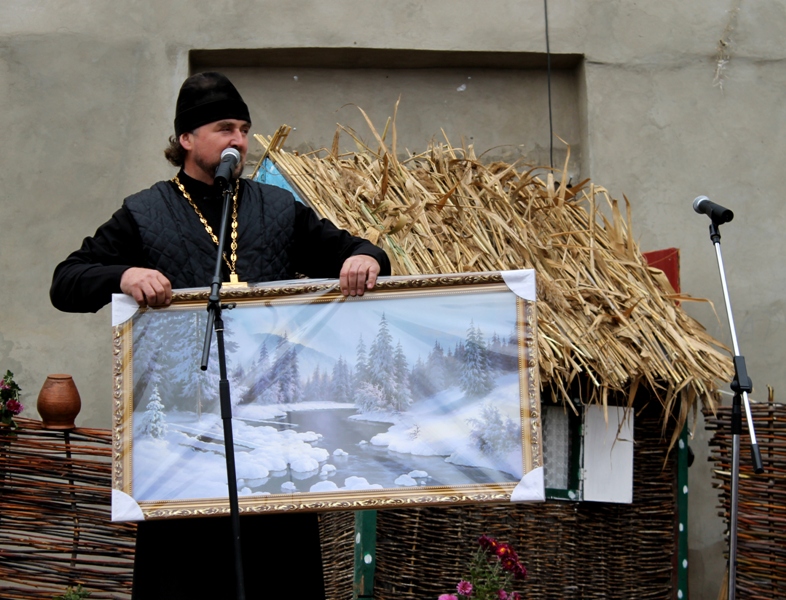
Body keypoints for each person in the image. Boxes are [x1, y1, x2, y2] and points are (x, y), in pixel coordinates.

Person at [50, 72, 391, 599]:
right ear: (186, 138)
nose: (239, 140)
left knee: (279, 577)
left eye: (244, 130)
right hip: (184, 458)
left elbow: (361, 252)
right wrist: (123, 275)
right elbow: (66, 282)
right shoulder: (145, 212)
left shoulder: (277, 208)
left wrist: (365, 259)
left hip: (268, 444)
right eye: (225, 128)